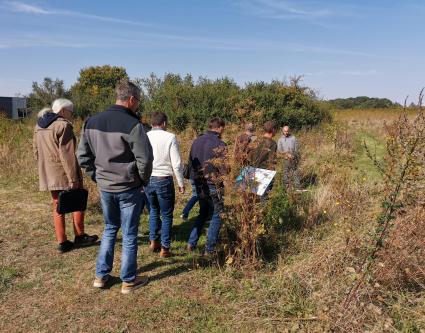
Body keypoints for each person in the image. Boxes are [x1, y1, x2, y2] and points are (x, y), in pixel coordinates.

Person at [77, 79, 153, 294]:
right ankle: (128, 280)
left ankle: (101, 277)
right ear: (131, 99)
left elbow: (82, 156)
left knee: (110, 228)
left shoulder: (91, 121)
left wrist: (97, 176)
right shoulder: (133, 125)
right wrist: (142, 181)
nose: (138, 105)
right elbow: (145, 160)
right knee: (129, 234)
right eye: (137, 101)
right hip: (128, 188)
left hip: (105, 187)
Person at [33, 99, 98, 253]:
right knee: (78, 199)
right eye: (70, 111)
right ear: (62, 111)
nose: (72, 114)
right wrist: (73, 178)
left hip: (48, 172)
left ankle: (62, 242)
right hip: (64, 171)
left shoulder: (38, 127)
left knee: (57, 204)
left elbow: (35, 152)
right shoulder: (63, 125)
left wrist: (44, 168)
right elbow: (67, 155)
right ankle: (80, 236)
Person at [145, 112, 185, 258]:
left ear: (152, 123)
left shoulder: (145, 136)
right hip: (163, 179)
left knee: (153, 211)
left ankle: (153, 241)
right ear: (164, 123)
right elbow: (176, 162)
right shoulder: (170, 137)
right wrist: (180, 182)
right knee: (167, 215)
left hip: (148, 179)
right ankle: (165, 248)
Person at [187, 118, 228, 256]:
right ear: (220, 128)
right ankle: (209, 249)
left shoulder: (196, 141)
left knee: (203, 212)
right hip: (213, 183)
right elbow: (224, 168)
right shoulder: (220, 144)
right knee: (218, 214)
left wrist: (193, 179)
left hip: (198, 183)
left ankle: (191, 243)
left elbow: (190, 162)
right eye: (223, 128)